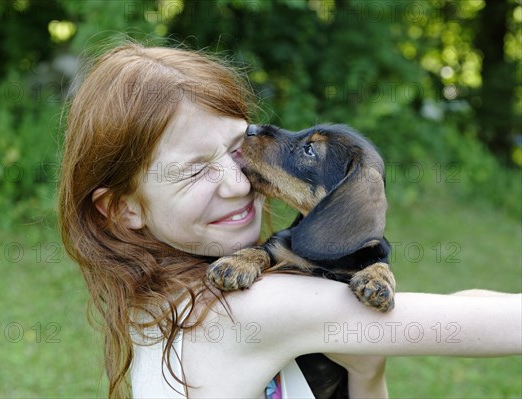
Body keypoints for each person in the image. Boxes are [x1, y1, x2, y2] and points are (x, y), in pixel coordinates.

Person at [58, 43, 521, 398]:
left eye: (237, 149)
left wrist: (366, 368)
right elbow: (493, 321)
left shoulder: (159, 295)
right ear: (122, 209)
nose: (239, 185)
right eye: (195, 170)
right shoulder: (249, 310)